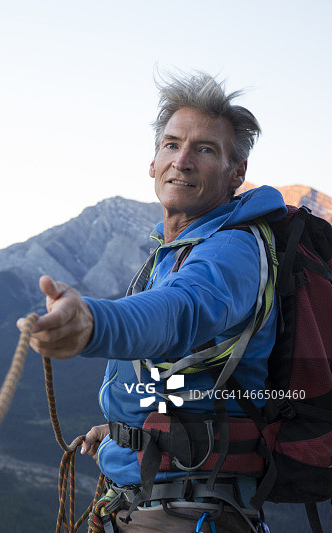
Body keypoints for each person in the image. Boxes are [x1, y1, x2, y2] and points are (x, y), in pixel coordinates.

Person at [18, 71, 287, 532]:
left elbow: (180, 313)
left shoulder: (232, 251)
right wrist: (127, 431)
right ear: (153, 161)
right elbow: (192, 381)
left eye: (205, 149)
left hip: (183, 510)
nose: (181, 160)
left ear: (236, 173)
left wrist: (92, 324)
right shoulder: (181, 248)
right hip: (164, 497)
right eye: (171, 144)